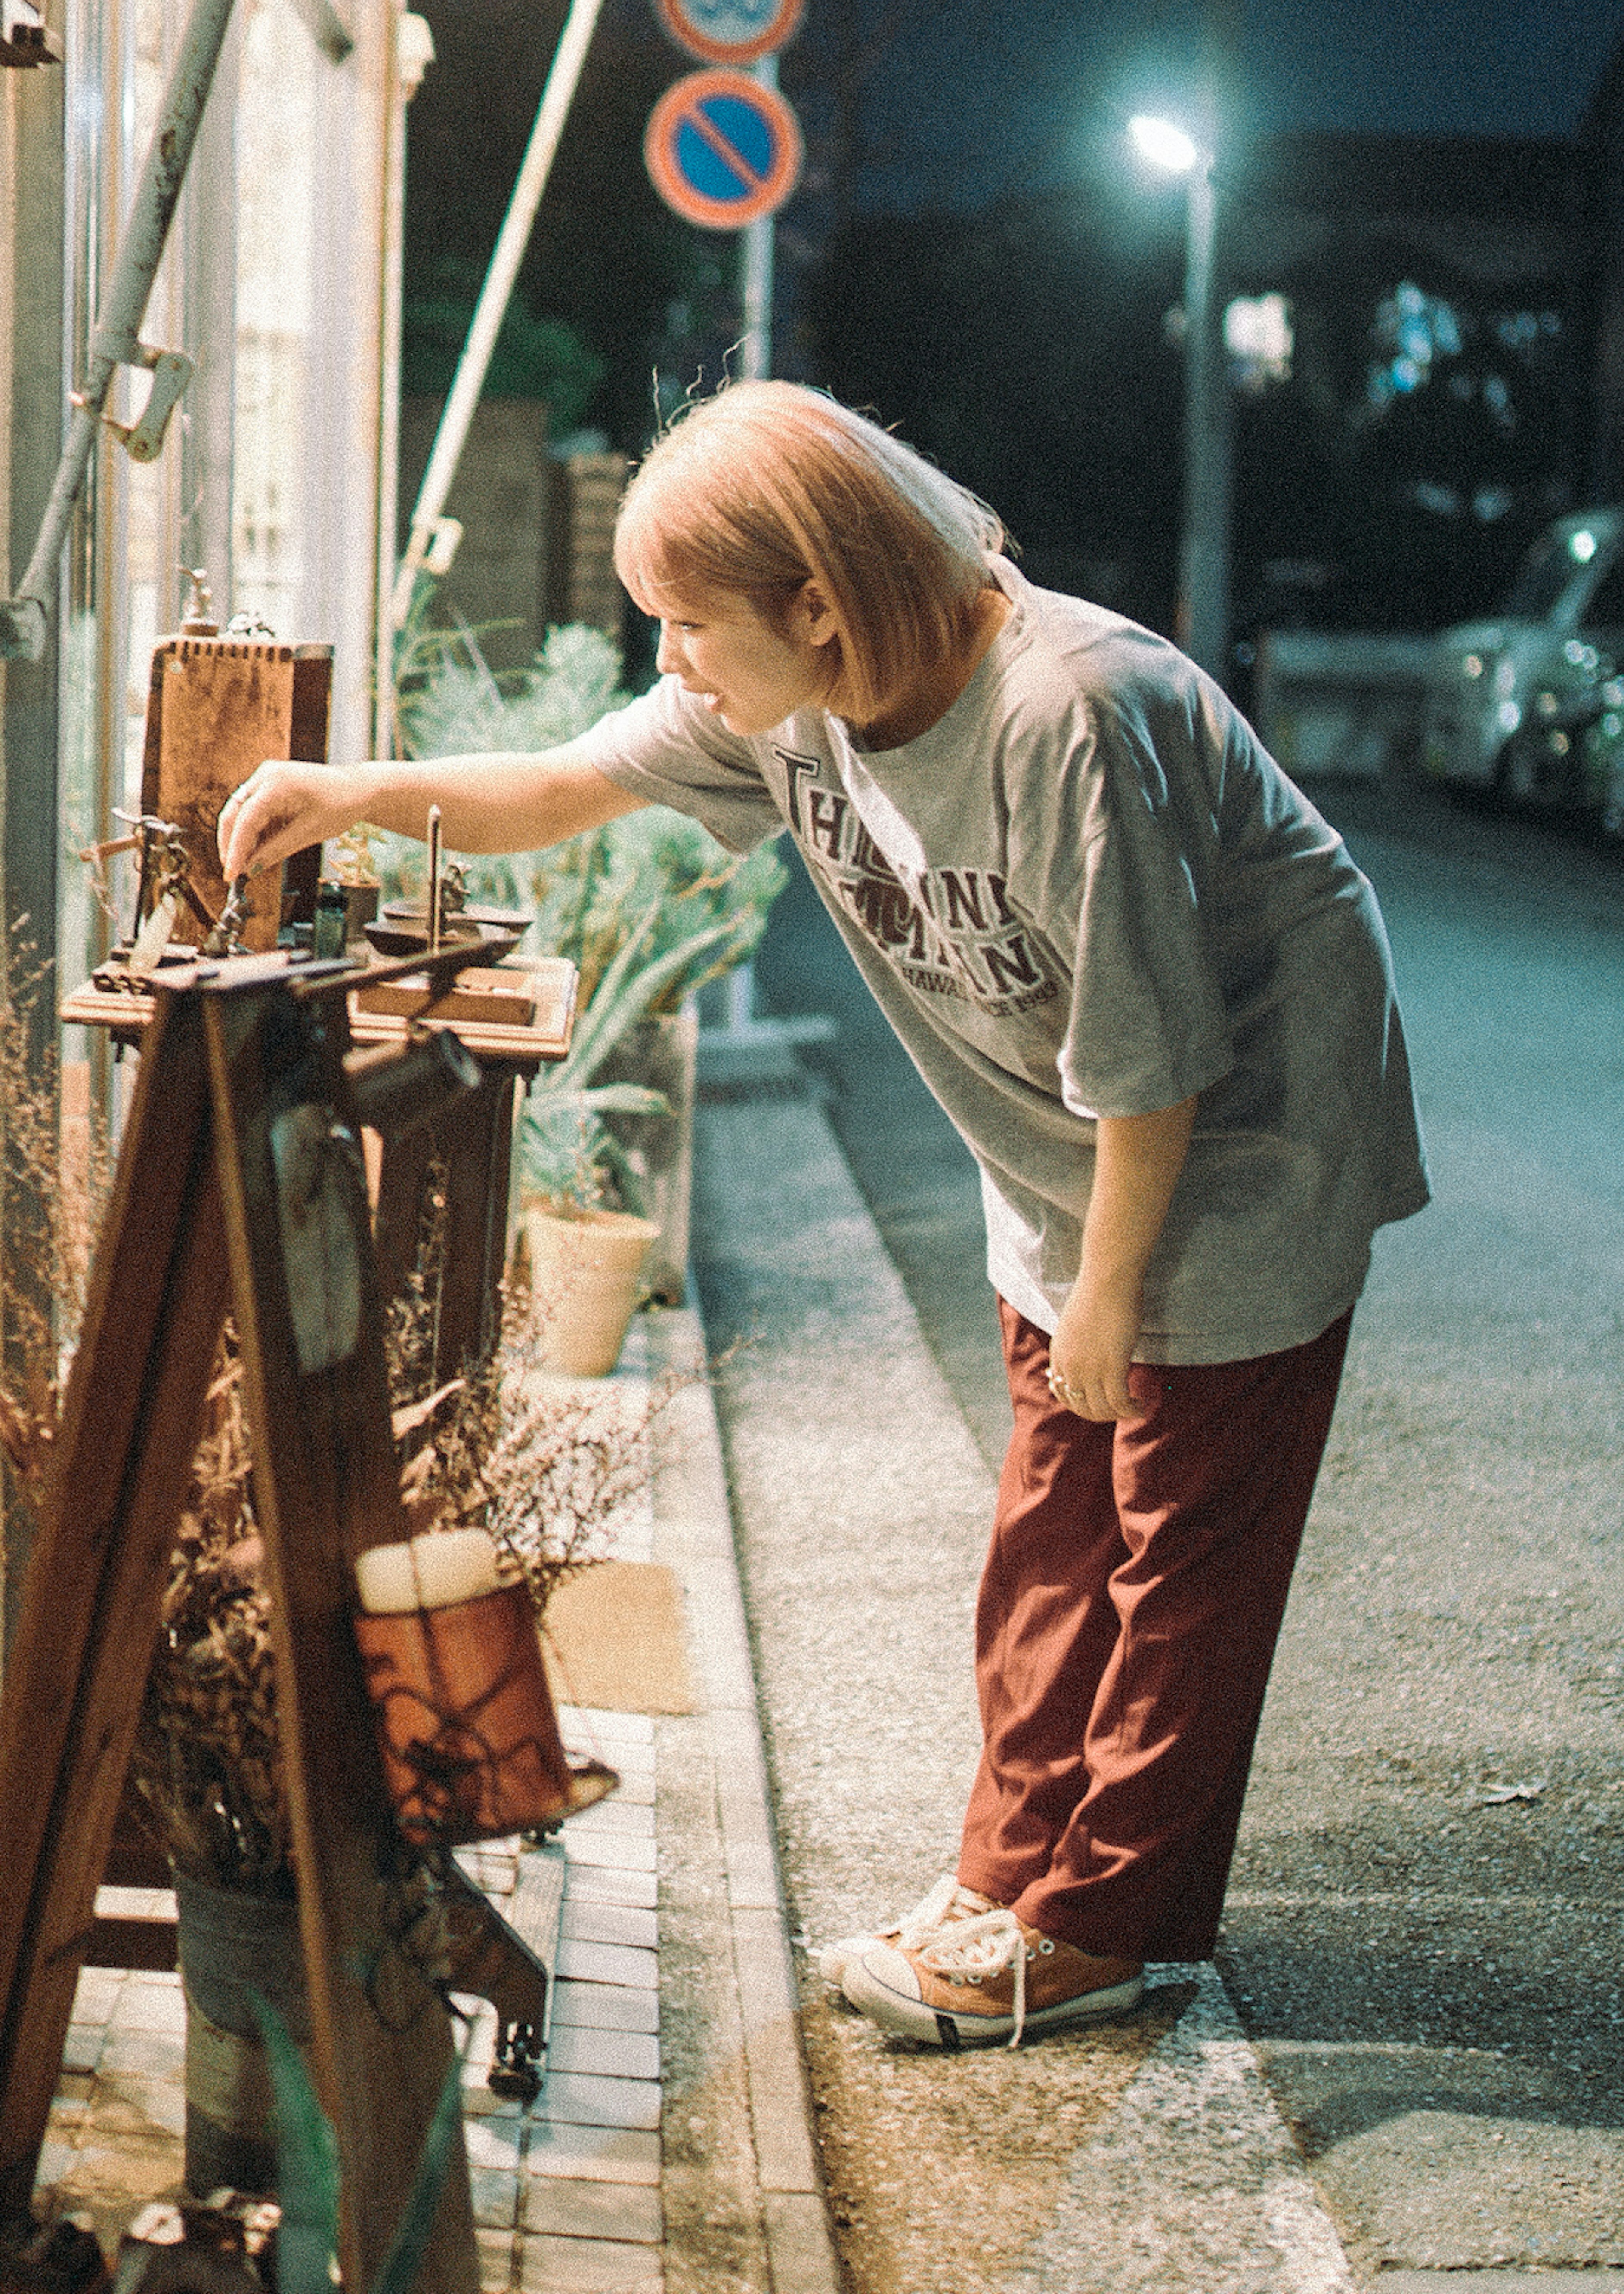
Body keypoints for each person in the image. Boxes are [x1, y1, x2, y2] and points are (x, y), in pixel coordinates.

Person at [218, 380, 1429, 2053]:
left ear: (819, 596)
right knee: (1052, 1535)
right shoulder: (782, 702)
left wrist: (1104, 1297)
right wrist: (346, 794)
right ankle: (1006, 1877)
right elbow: (573, 786)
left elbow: (1155, 1069)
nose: (672, 665)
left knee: (1181, 1559)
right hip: (1067, 1157)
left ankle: (1097, 1927)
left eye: (690, 624)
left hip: (1240, 1145)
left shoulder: (1065, 715)